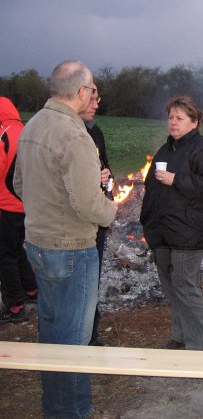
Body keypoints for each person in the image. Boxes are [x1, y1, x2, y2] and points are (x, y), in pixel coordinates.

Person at [14, 60, 117, 419]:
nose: (92, 96)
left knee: (52, 334)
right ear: (80, 92)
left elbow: (18, 185)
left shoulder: (33, 125)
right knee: (73, 343)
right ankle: (73, 413)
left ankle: (54, 409)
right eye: (91, 90)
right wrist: (112, 211)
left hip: (37, 246)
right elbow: (89, 203)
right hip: (72, 251)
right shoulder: (75, 136)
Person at [140, 96, 203, 351]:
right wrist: (147, 221)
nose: (173, 123)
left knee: (186, 286)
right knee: (171, 287)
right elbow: (151, 186)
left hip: (189, 231)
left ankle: (201, 344)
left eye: (179, 118)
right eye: (170, 118)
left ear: (194, 122)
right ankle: (180, 335)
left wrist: (176, 179)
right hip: (163, 230)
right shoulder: (166, 150)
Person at [78, 91, 112, 346]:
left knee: (92, 280)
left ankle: (90, 334)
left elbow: (104, 168)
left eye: (98, 100)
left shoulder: (95, 132)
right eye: (92, 99)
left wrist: (107, 182)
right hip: (74, 224)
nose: (96, 105)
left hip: (97, 220)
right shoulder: (70, 134)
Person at [0, 96, 37, 324]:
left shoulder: (3, 134)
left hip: (5, 205)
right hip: (27, 204)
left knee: (5, 256)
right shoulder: (26, 131)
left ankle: (14, 306)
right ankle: (32, 290)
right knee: (18, 250)